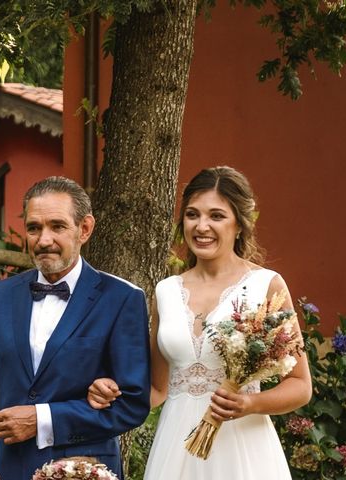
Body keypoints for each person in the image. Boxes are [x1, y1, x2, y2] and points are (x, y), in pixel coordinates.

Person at [87, 166, 312, 479]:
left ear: (240, 224)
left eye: (216, 216)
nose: (201, 226)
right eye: (192, 215)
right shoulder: (166, 291)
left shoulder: (266, 286)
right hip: (174, 449)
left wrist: (249, 402)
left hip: (242, 448)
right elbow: (155, 388)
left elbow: (301, 385)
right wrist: (111, 392)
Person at [0, 176, 151, 480]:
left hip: (84, 468)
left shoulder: (121, 299)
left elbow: (131, 405)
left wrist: (42, 419)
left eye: (57, 226)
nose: (43, 240)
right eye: (34, 228)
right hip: (5, 469)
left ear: (85, 229)